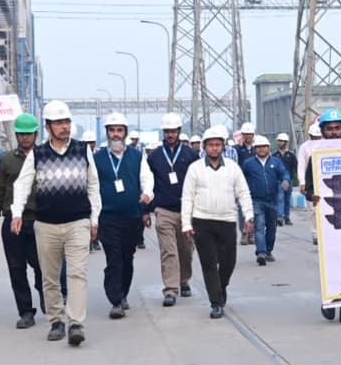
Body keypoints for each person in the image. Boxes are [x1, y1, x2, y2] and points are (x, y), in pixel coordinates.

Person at [11, 99, 101, 347]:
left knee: (77, 274)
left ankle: (75, 324)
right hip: (47, 225)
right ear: (48, 127)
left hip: (77, 223)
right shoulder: (37, 154)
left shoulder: (83, 150)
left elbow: (93, 186)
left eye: (67, 122)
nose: (64, 127)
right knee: (50, 277)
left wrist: (94, 219)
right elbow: (22, 184)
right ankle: (56, 321)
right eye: (59, 123)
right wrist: (17, 213)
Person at [0, 113, 67, 329]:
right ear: (16, 135)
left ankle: (46, 297)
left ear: (36, 134)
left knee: (42, 265)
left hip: (38, 221)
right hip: (12, 222)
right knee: (16, 268)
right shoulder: (6, 160)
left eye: (29, 134)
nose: (25, 138)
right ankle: (25, 311)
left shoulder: (45, 156)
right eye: (21, 134)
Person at [182, 126, 254, 319]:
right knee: (208, 264)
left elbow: (243, 193)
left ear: (223, 147)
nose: (214, 148)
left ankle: (221, 287)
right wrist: (186, 224)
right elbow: (187, 197)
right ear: (204, 147)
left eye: (217, 145)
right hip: (202, 221)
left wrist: (248, 216)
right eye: (211, 145)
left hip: (227, 221)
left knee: (228, 262)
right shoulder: (195, 169)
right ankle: (216, 302)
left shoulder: (232, 168)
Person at [93, 112, 154, 319]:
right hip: (108, 218)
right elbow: (91, 186)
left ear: (125, 133)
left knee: (127, 258)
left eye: (119, 130)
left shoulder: (137, 156)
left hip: (132, 217)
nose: (116, 134)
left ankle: (123, 293)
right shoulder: (97, 158)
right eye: (112, 130)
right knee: (114, 258)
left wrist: (147, 193)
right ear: (107, 133)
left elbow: (147, 178)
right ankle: (115, 300)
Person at [305, 108, 341, 326]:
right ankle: (330, 300)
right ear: (323, 131)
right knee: (332, 262)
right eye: (330, 129)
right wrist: (313, 196)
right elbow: (309, 188)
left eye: (338, 128)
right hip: (329, 217)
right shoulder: (316, 156)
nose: (334, 132)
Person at [147, 113, 201, 307]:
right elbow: (148, 184)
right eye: (167, 131)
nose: (170, 134)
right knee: (168, 251)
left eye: (173, 131)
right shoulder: (154, 157)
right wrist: (146, 210)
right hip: (164, 210)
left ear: (179, 131)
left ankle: (184, 279)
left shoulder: (191, 155)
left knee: (186, 250)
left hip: (187, 210)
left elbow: (199, 183)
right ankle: (170, 289)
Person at [242, 135, 291, 266]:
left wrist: (286, 180)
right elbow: (241, 179)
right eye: (259, 147)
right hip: (257, 200)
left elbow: (284, 173)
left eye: (264, 147)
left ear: (268, 148)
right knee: (259, 226)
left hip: (273, 201)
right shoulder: (249, 164)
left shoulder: (276, 162)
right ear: (255, 149)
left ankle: (268, 251)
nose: (262, 149)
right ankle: (261, 252)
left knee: (271, 228)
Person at [298, 123, 323, 244]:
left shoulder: (327, 144)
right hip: (311, 181)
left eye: (318, 137)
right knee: (314, 209)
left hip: (325, 179)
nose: (316, 140)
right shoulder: (304, 147)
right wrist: (302, 183)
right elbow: (302, 166)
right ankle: (315, 233)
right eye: (314, 137)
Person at [274, 133, 298, 226]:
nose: (280, 143)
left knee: (287, 199)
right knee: (279, 198)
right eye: (279, 141)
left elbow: (295, 167)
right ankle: (279, 217)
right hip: (278, 181)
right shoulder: (274, 155)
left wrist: (297, 179)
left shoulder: (291, 155)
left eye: (282, 141)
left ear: (286, 142)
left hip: (289, 181)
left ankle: (287, 217)